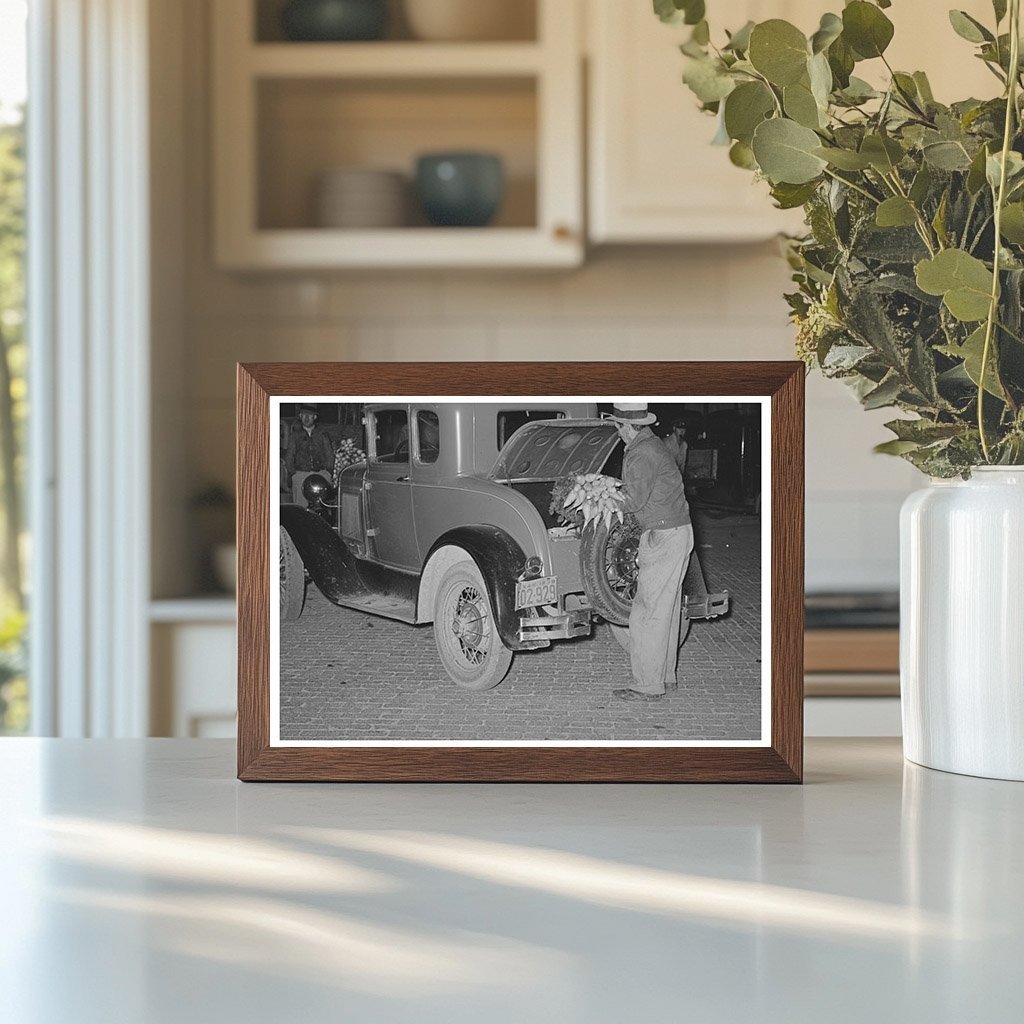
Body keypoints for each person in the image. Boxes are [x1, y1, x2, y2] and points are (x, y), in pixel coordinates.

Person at [606, 402, 694, 702]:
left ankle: (646, 685)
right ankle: (665, 679)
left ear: (630, 427)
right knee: (665, 612)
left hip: (662, 535)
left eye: (619, 427)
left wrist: (603, 499)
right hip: (679, 531)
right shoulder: (654, 445)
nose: (618, 433)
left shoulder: (641, 452)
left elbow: (633, 501)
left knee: (646, 612)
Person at [284, 404, 335, 504]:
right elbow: (289, 455)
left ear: (314, 417)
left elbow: (329, 453)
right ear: (300, 416)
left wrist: (328, 472)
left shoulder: (322, 434)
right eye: (303, 415)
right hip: (301, 473)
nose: (306, 418)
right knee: (300, 506)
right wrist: (293, 473)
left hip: (321, 473)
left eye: (309, 415)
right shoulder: (295, 435)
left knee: (322, 503)